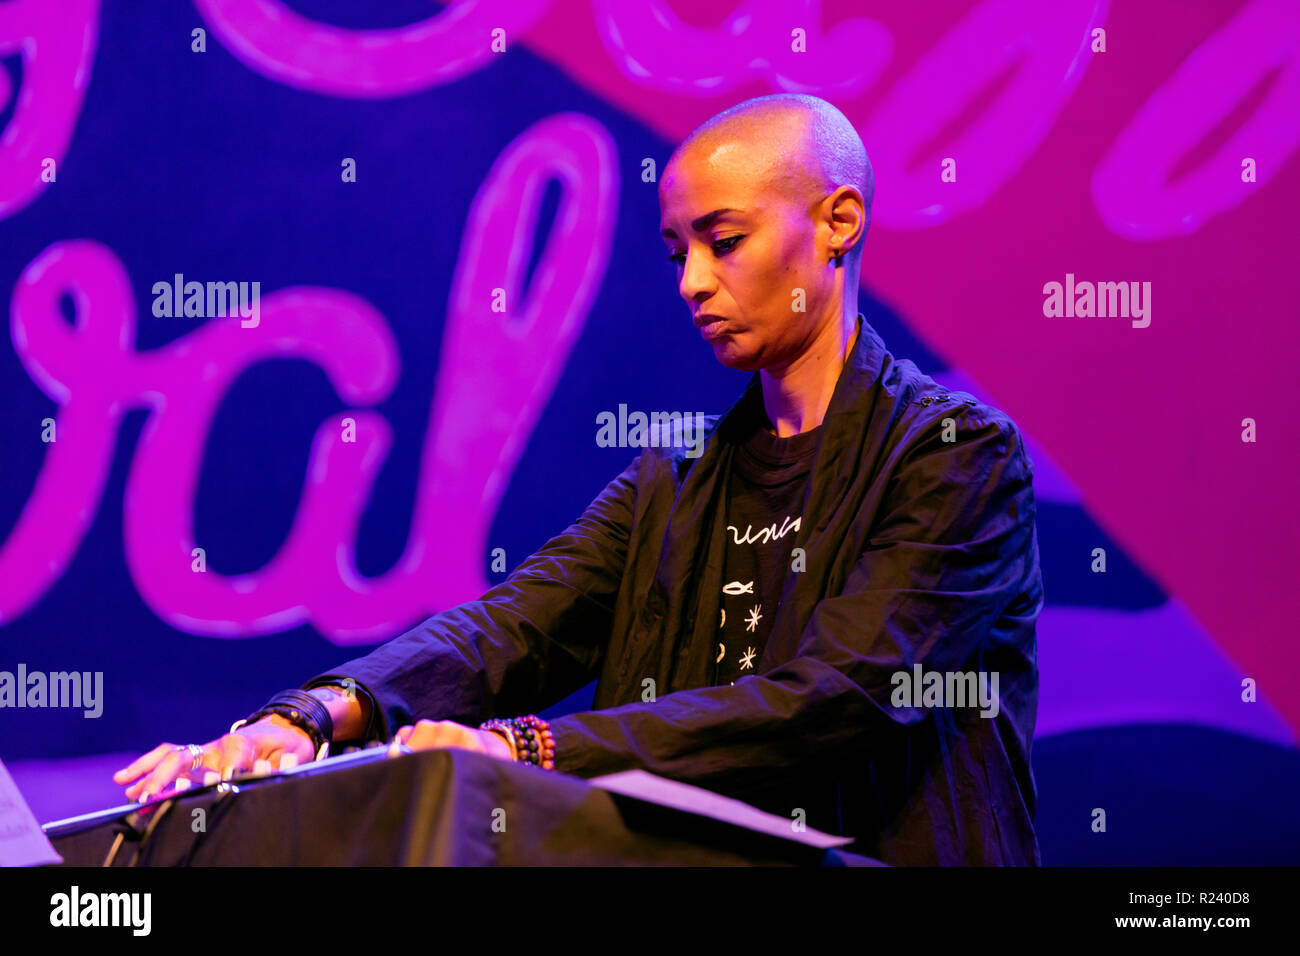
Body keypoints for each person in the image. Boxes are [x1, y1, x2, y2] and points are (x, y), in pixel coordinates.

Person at [114, 93, 1044, 866]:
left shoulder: (955, 455)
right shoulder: (673, 480)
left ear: (838, 223)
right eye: (678, 252)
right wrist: (312, 718)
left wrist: (528, 746)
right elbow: (510, 629)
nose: (692, 282)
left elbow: (845, 695)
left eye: (723, 241)